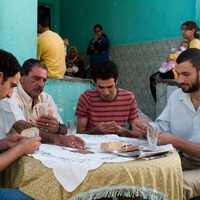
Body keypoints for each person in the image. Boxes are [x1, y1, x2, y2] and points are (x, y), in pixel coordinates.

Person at [134, 48, 200, 200]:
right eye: (178, 74)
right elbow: (162, 128)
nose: (179, 80)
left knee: (175, 185)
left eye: (186, 74)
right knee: (139, 178)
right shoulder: (177, 96)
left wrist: (174, 140)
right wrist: (146, 128)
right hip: (181, 160)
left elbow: (170, 138)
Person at [0, 58, 85, 149]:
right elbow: (22, 127)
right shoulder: (9, 95)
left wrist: (57, 128)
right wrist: (58, 139)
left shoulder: (46, 98)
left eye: (44, 80)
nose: (41, 84)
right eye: (36, 78)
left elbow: (64, 128)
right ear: (22, 77)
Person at [0, 49, 41, 200]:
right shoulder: (9, 100)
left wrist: (4, 143)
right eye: (11, 85)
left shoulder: (46, 98)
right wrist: (20, 149)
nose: (11, 93)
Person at [76, 60, 142, 137]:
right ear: (94, 83)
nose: (106, 92)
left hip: (119, 146)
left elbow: (136, 134)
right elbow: (79, 134)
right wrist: (95, 130)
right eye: (101, 87)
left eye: (110, 87)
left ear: (116, 81)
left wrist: (121, 131)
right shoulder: (86, 98)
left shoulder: (128, 98)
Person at [37, 6, 66, 79]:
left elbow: (34, 62)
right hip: (61, 76)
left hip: (49, 77)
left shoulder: (40, 39)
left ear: (39, 26)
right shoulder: (58, 36)